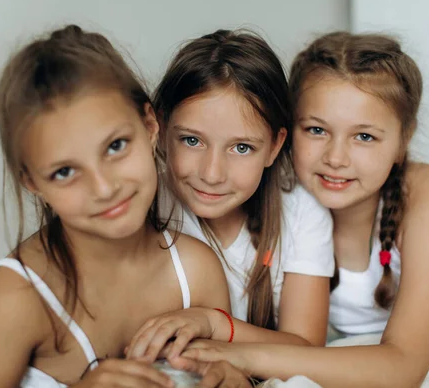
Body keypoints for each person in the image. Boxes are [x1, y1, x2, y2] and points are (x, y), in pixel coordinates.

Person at [173, 31, 429, 388]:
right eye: (316, 130)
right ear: (285, 133)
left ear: (403, 141)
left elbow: (403, 366)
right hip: (373, 355)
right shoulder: (283, 203)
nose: (336, 158)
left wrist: (242, 354)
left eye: (364, 137)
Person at [0, 25, 244, 388]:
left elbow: (224, 369)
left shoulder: (196, 271)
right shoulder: (16, 298)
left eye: (116, 146)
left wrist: (233, 379)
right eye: (65, 171)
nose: (104, 188)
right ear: (32, 182)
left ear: (150, 126)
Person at [126, 29, 335, 362]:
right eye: (192, 141)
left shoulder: (301, 214)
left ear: (275, 146)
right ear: (160, 128)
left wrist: (213, 324)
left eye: (241, 147)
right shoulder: (141, 206)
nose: (212, 174)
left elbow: (307, 350)